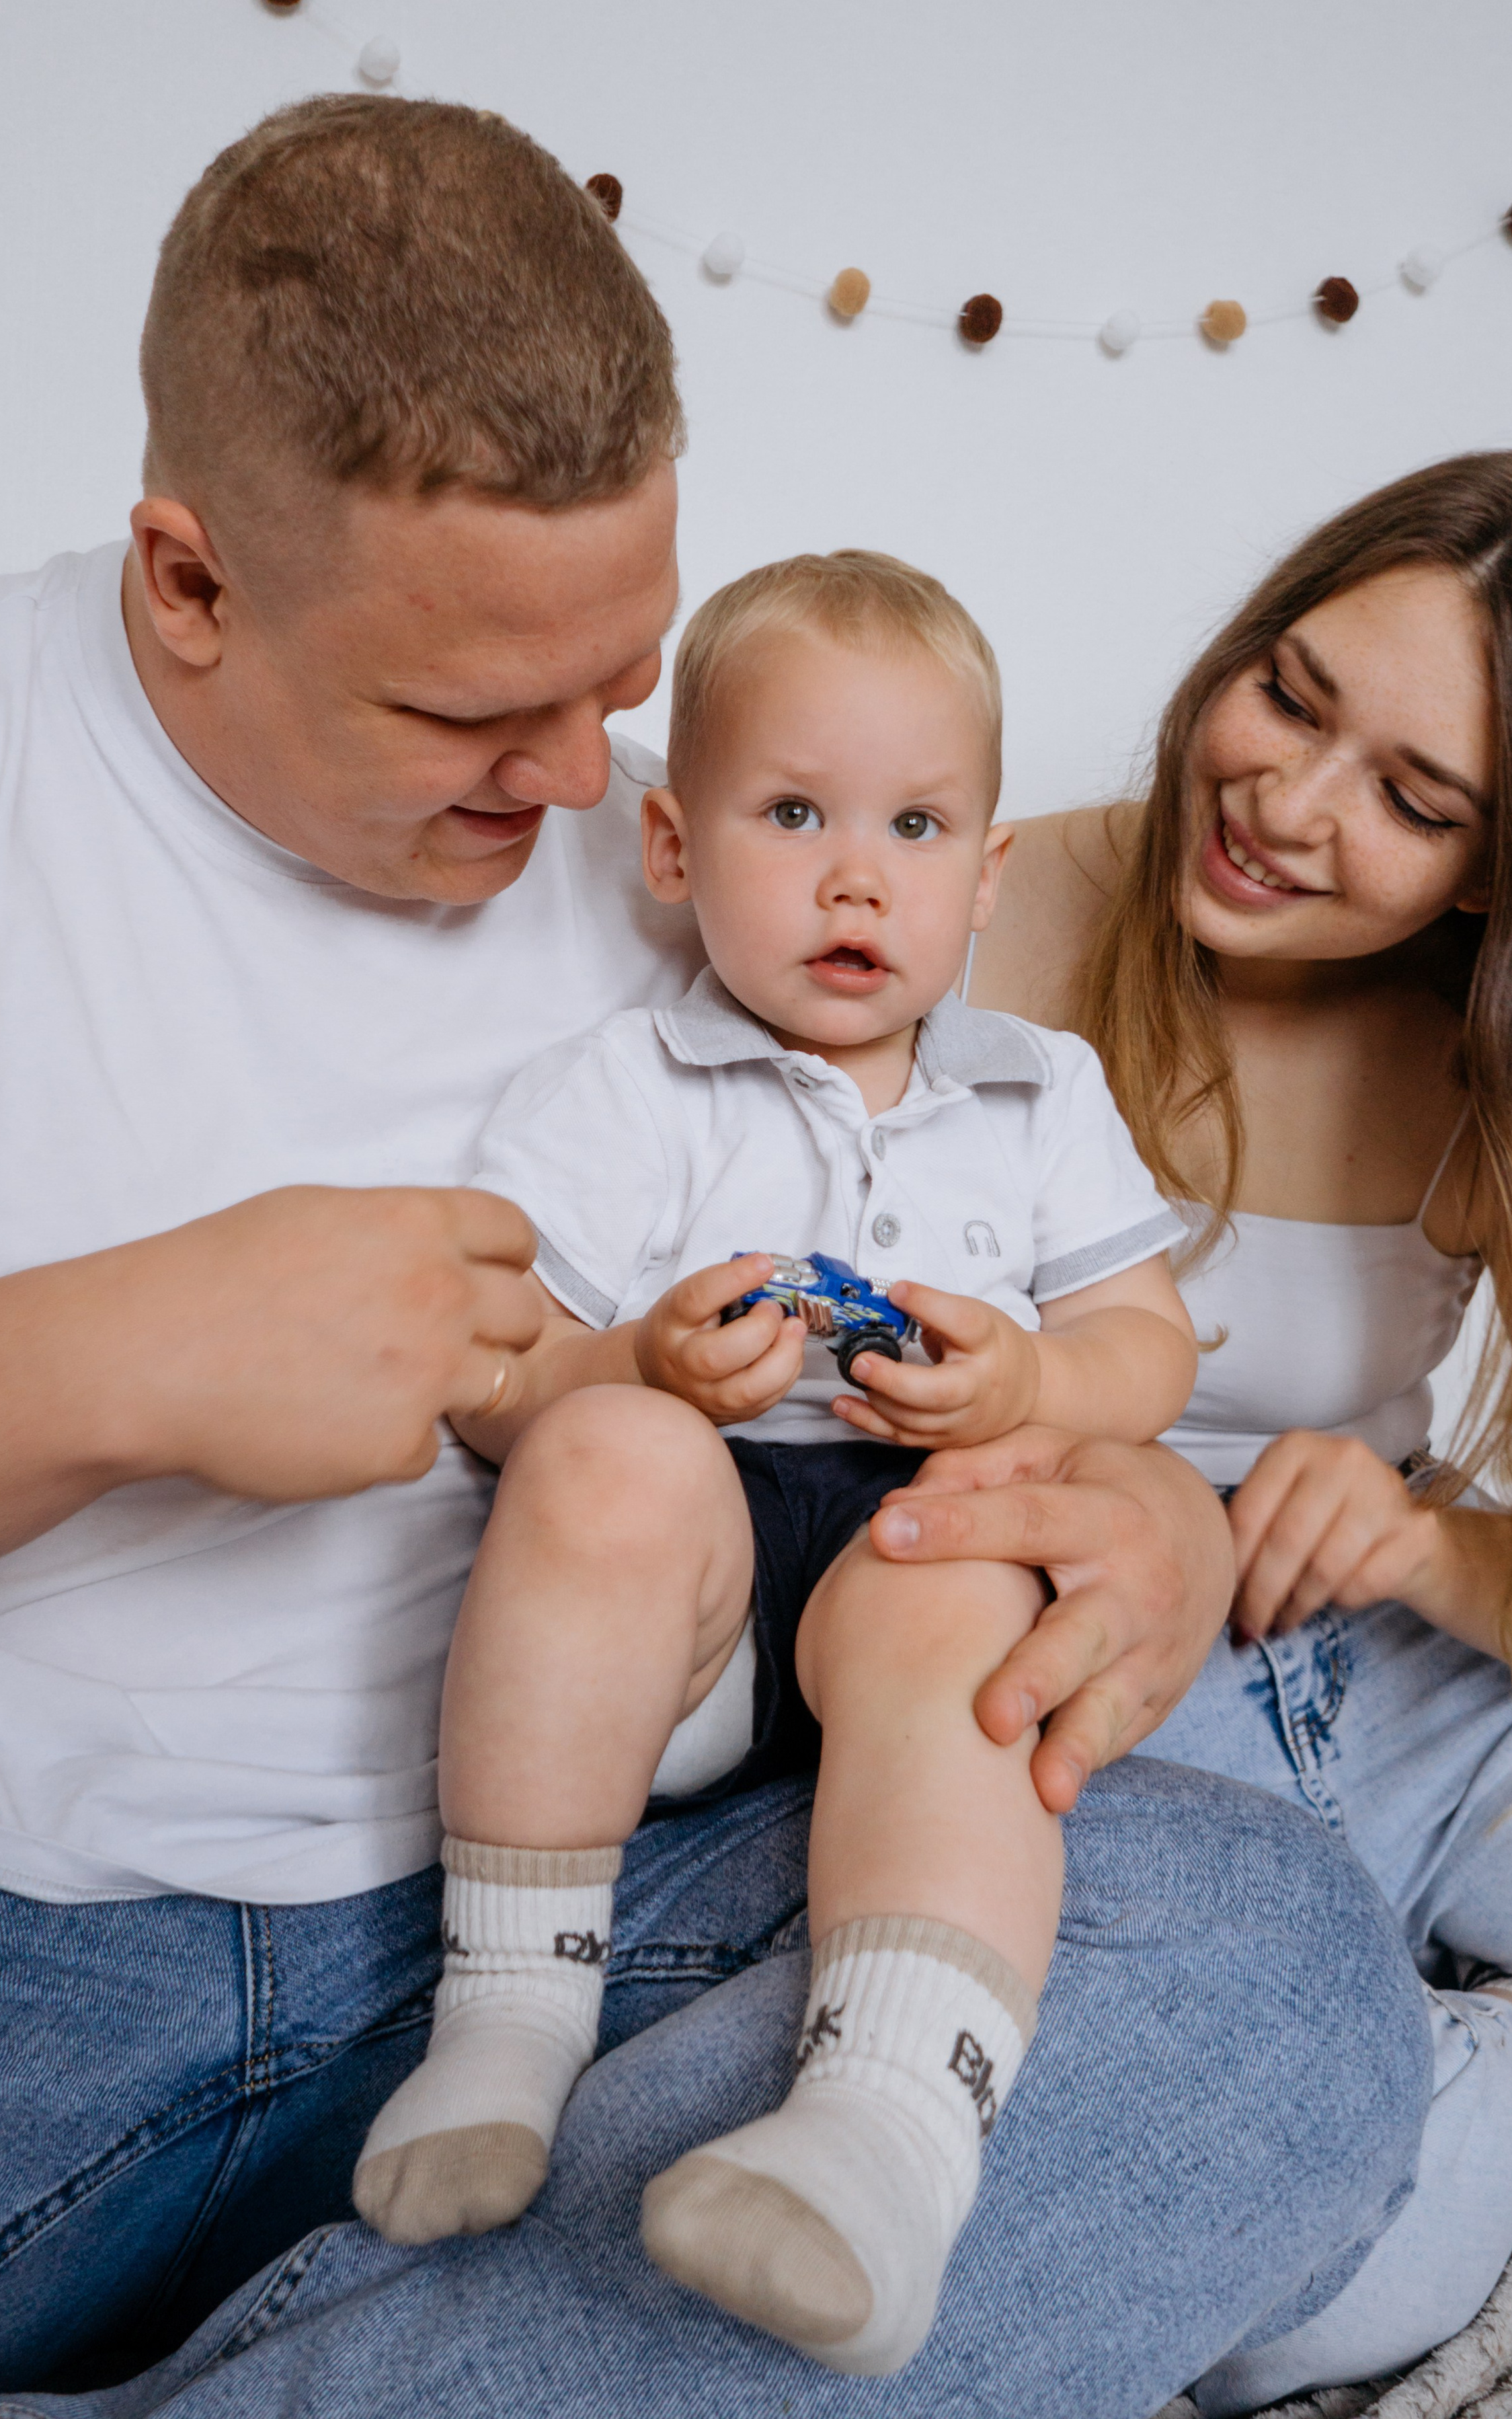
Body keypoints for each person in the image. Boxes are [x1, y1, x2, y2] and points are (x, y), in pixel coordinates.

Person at [0, 93, 1431, 2410]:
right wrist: (83, 1369)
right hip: (51, 1951)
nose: (584, 794)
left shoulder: (740, 836)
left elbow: (1055, 1268)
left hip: (660, 1868)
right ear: (190, 581)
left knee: (1272, 1968)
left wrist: (1134, 1506)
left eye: (618, 691)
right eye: (472, 714)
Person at [350, 551, 1197, 2379]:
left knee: (965, 1577)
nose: (852, 876)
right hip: (692, 1642)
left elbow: (1154, 1354)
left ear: (983, 882)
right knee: (605, 1458)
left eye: (912, 826)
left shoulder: (1037, 1094)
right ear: (673, 850)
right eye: (792, 812)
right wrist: (631, 1361)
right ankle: (504, 2020)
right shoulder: (626, 1085)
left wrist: (1035, 1376)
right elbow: (487, 1369)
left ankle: (885, 2139)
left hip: (906, 1580)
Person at [971, 451, 1512, 2408]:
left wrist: (1428, 1549)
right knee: (1251, 2292)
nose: (1285, 807)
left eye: (1411, 798)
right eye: (1291, 695)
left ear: (1501, 865)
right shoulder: (964, 898)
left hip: (1422, 1701)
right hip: (1108, 1725)